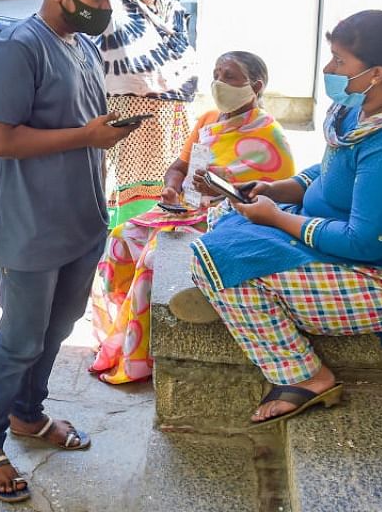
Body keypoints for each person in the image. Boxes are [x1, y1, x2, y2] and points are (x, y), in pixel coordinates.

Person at [179, 10, 382, 427]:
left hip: (379, 280)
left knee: (215, 259)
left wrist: (278, 219)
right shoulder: (360, 108)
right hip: (330, 246)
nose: (329, 69)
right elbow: (330, 176)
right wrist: (279, 188)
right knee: (228, 217)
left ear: (377, 72)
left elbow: (363, 242)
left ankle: (306, 377)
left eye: (339, 61)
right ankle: (242, 301)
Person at [0, 0, 134, 504]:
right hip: (30, 228)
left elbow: (79, 120)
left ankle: (27, 415)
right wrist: (87, 135)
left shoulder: (80, 44)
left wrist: (102, 130)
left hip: (82, 220)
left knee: (57, 332)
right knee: (19, 339)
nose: (104, 6)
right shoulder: (19, 48)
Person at [89, 52, 296, 385]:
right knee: (120, 238)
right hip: (181, 209)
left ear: (255, 86)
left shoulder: (270, 137)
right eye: (216, 73)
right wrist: (171, 190)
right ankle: (121, 332)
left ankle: (142, 355)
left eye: (230, 76)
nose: (219, 83)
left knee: (154, 259)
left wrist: (220, 189)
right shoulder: (208, 120)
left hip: (222, 219)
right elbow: (178, 168)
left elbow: (268, 199)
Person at [96, 0, 196, 227]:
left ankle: (153, 253)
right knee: (125, 192)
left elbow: (183, 62)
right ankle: (123, 255)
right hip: (128, 119)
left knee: (168, 188)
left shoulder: (174, 10)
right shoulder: (111, 11)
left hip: (171, 121)